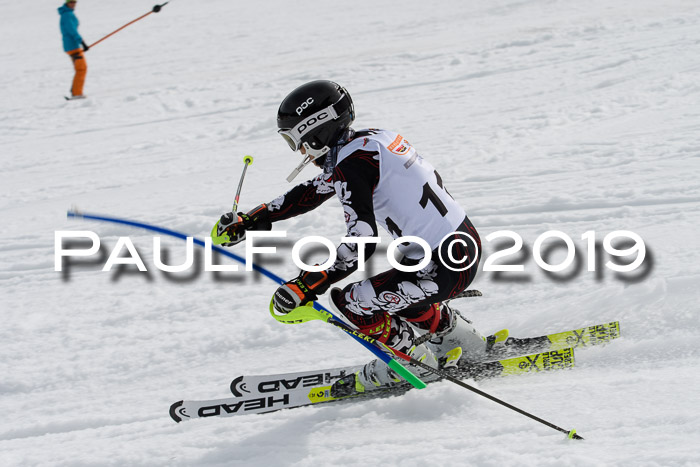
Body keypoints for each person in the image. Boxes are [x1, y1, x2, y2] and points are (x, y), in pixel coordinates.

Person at [214, 80, 486, 395]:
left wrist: (309, 283)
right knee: (394, 293)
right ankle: (460, 340)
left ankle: (410, 363)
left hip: (442, 266)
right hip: (458, 248)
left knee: (354, 303)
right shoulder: (370, 142)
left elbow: (362, 239)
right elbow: (313, 190)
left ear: (317, 131)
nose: (302, 151)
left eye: (299, 141)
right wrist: (256, 218)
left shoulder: (351, 164)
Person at [59, 0, 89, 99]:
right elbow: (72, 30)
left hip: (71, 45)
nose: (73, 4)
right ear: (67, 3)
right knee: (81, 69)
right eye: (71, 2)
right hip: (73, 46)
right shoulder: (67, 15)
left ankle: (75, 90)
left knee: (80, 68)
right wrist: (82, 42)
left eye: (74, 2)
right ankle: (76, 93)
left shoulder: (67, 14)